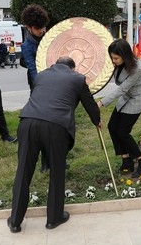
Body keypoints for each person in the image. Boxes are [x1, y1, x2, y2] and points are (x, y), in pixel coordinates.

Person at [8, 56, 101, 233]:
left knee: (23, 171)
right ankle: (54, 217)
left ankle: (15, 221)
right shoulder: (78, 78)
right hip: (56, 126)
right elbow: (89, 103)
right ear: (72, 68)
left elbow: (34, 96)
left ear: (55, 65)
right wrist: (96, 120)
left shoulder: (41, 75)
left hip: (28, 122)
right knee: (57, 171)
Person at [97, 39, 141, 177]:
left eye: (116, 58)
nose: (113, 60)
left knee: (122, 132)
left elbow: (122, 89)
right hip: (127, 97)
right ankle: (126, 159)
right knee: (112, 127)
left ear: (124, 55)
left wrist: (102, 103)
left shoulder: (137, 67)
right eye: (112, 58)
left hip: (137, 98)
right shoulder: (117, 63)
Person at [20, 4, 49, 89]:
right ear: (29, 27)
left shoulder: (49, 37)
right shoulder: (26, 46)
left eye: (42, 27)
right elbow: (32, 68)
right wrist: (40, 85)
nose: (41, 31)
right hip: (38, 82)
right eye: (37, 28)